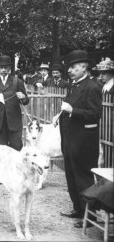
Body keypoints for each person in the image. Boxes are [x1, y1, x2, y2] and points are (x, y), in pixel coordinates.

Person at [58, 50, 102, 228]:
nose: (69, 70)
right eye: (69, 67)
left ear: (84, 68)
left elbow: (94, 115)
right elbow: (70, 108)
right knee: (71, 176)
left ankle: (90, 217)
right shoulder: (75, 85)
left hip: (83, 141)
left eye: (73, 67)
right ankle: (78, 208)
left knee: (83, 177)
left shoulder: (93, 86)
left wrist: (71, 111)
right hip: (70, 139)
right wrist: (60, 115)